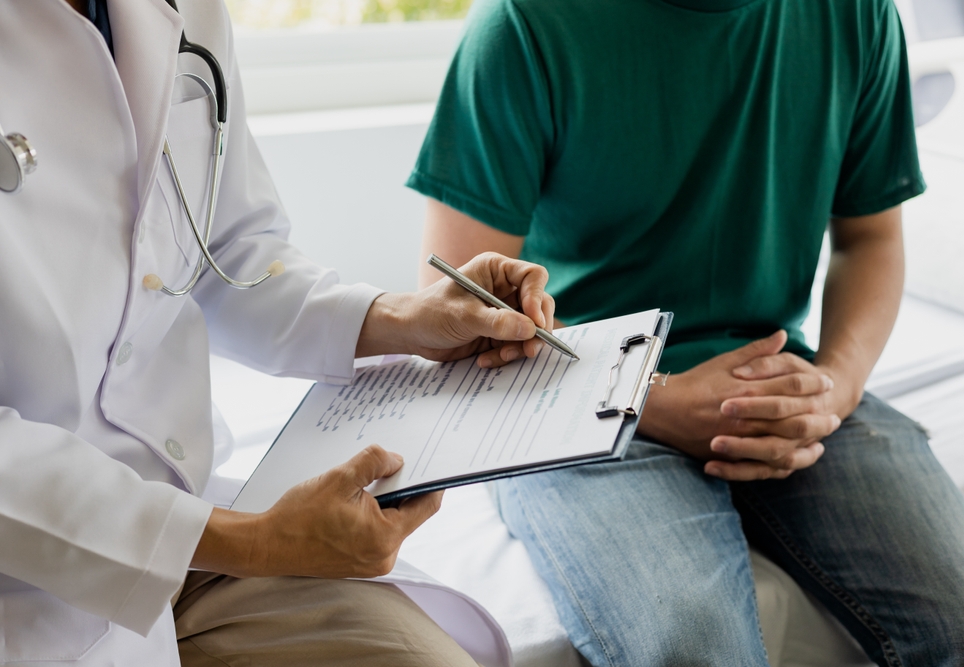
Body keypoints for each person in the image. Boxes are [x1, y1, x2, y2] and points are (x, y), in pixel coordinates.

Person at [409, 0, 964, 663]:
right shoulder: (524, 24)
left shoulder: (857, 16)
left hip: (781, 382)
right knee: (695, 649)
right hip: (571, 397)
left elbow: (870, 240)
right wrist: (650, 395)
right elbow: (463, 303)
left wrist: (834, 386)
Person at [0, 0, 556, 665]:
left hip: (192, 527)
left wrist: (402, 318)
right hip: (26, 585)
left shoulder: (182, 12)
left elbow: (229, 251)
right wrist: (257, 540)